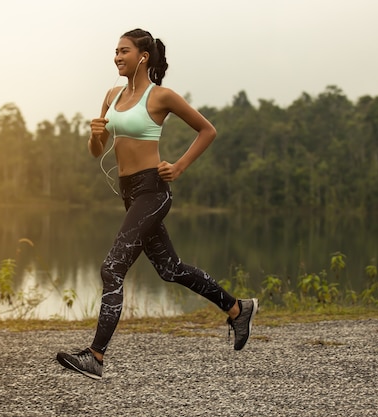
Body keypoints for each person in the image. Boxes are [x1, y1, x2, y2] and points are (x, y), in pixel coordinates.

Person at [56, 28, 258, 380]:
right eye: (115, 52)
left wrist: (178, 166)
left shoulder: (160, 96)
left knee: (112, 268)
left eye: (124, 51)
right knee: (170, 269)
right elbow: (96, 152)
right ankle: (237, 309)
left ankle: (95, 356)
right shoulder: (112, 95)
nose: (117, 57)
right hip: (129, 192)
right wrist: (94, 134)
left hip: (153, 191)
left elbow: (207, 130)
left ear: (143, 56)